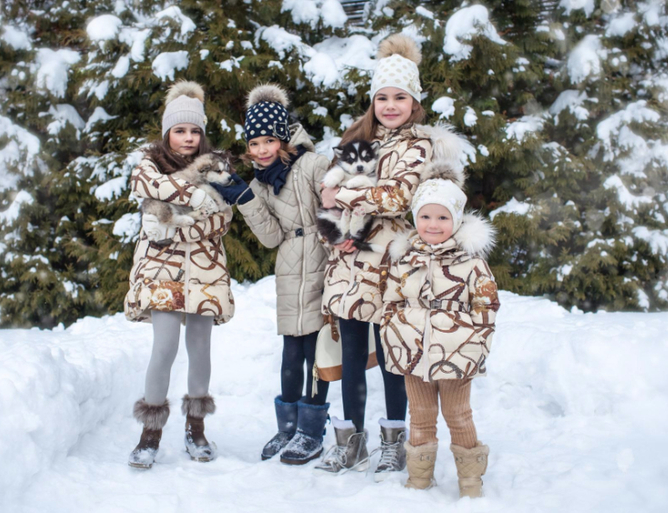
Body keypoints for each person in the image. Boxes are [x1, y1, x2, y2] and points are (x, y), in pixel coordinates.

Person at [314, 33, 433, 479]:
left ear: (414, 102)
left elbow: (397, 197)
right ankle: (352, 441)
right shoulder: (357, 139)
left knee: (389, 355)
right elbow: (325, 198)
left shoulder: (418, 145)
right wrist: (334, 235)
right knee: (351, 356)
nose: (389, 105)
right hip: (349, 266)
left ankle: (393, 440)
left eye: (399, 97)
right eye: (382, 97)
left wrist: (343, 194)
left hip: (390, 266)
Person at [212, 84, 331, 465]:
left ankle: (311, 431)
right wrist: (245, 198)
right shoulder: (261, 181)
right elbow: (270, 238)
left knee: (316, 350)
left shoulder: (313, 164)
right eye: (254, 143)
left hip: (322, 262)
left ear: (283, 138)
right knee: (291, 351)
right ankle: (288, 427)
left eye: (269, 140)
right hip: (289, 266)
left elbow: (336, 212)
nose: (262, 149)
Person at [124, 80, 234, 469]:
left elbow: (221, 219)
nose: (188, 138)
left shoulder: (217, 167)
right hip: (163, 271)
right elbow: (146, 185)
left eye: (194, 131)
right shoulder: (149, 164)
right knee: (165, 346)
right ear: (167, 132)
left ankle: (196, 428)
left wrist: (174, 224)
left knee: (200, 346)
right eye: (179, 130)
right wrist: (195, 197)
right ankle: (149, 433)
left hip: (205, 270)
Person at [379, 162, 500, 498]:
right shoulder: (404, 259)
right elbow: (390, 300)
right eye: (426, 216)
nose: (433, 225)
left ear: (456, 220)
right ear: (415, 217)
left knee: (458, 415)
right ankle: (419, 480)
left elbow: (486, 305)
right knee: (420, 416)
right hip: (412, 351)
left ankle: (470, 482)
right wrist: (394, 333)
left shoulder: (471, 262)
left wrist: (477, 344)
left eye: (443, 217)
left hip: (457, 353)